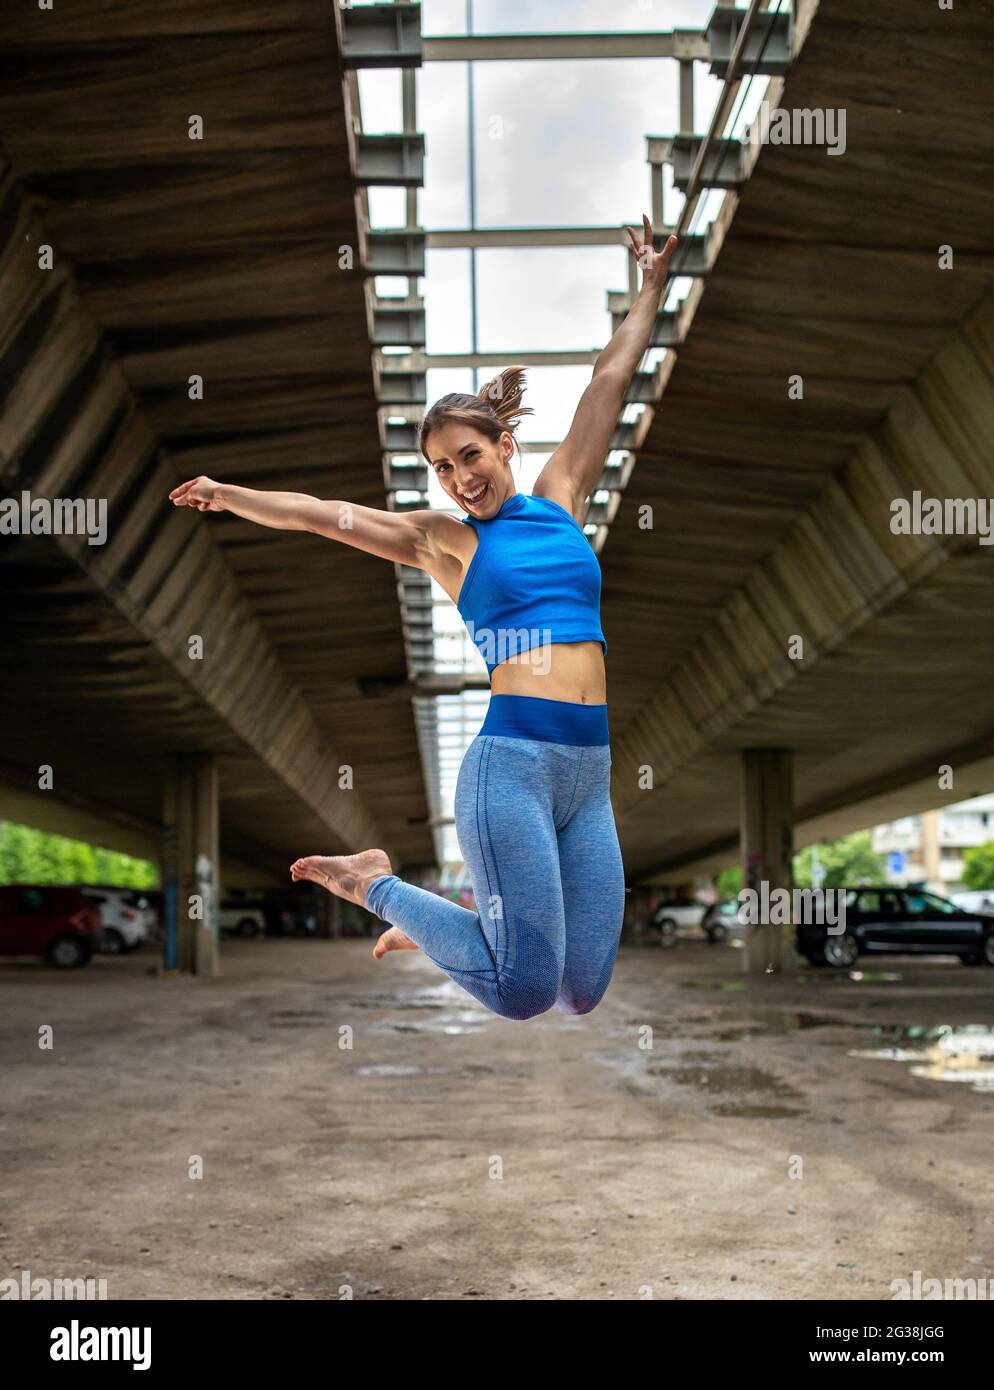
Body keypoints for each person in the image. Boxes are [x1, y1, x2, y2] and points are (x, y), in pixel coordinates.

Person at [170, 218, 677, 1020]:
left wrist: (651, 286)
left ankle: (444, 929)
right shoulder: (444, 543)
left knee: (583, 989)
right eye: (441, 468)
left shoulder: (560, 497)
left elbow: (608, 384)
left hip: (588, 774)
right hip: (510, 766)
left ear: (505, 445)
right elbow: (322, 516)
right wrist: (229, 494)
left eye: (469, 457)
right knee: (522, 992)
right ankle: (374, 882)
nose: (458, 480)